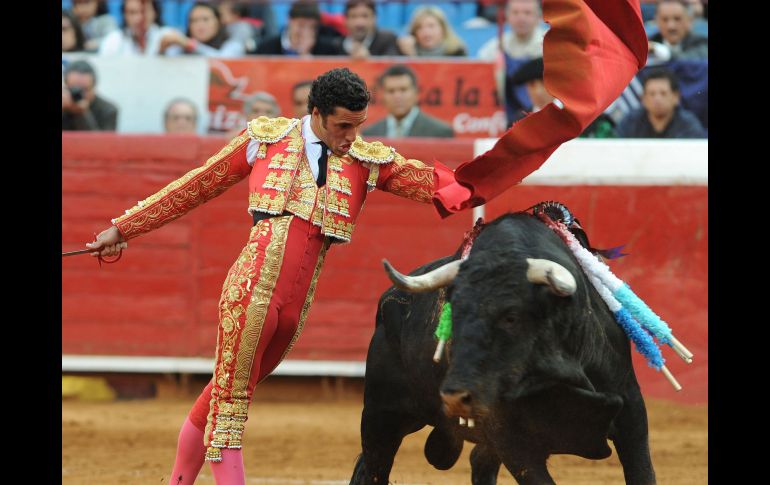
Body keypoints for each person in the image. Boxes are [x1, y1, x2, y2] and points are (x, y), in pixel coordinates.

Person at [85, 67, 456, 485]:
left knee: (218, 396)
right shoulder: (266, 140)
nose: (351, 136)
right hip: (251, 290)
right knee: (229, 410)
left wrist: (490, 176)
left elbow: (433, 184)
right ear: (316, 113)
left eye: (358, 125)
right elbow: (195, 186)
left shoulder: (365, 162)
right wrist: (125, 227)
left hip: (295, 306)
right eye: (342, 126)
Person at [508, 57, 615, 137]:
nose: (538, 92)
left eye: (544, 83)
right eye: (532, 85)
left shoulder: (586, 118)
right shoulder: (517, 123)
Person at [363, 64, 454, 138]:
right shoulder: (369, 135)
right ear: (382, 95)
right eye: (391, 91)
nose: (397, 96)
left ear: (416, 92)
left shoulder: (440, 132)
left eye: (403, 90)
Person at [614, 67, 706, 138]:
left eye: (663, 93)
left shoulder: (688, 125)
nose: (657, 99)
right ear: (643, 98)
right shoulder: (630, 122)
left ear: (676, 97)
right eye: (652, 94)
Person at [255, 1, 345, 56]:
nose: (306, 31)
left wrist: (306, 55)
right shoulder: (266, 48)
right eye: (301, 25)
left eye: (312, 27)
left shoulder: (327, 50)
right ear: (289, 20)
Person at [159, 1, 246, 58]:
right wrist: (162, 51)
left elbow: (223, 62)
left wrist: (191, 45)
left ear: (218, 22)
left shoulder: (233, 45)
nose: (200, 25)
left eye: (205, 19)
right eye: (194, 20)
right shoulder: (180, 48)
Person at [98, 0, 182, 56]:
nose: (139, 18)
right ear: (124, 15)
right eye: (132, 12)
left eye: (143, 11)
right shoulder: (112, 41)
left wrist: (184, 44)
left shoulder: (168, 34)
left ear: (155, 12)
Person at [477, 0, 547, 60]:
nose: (521, 18)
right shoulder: (498, 45)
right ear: (507, 16)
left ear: (539, 17)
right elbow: (480, 65)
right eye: (515, 13)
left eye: (527, 13)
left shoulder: (550, 44)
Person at [62, 59, 118, 131]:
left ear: (94, 86)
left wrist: (83, 113)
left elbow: (102, 141)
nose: (79, 94)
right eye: (73, 89)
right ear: (66, 86)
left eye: (84, 89)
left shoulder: (108, 110)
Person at [335, 0, 401, 59]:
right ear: (345, 20)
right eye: (353, 16)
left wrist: (369, 60)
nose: (359, 23)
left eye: (365, 16)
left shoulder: (388, 40)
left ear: (374, 18)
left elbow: (393, 68)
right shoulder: (336, 44)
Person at [397, 6, 467, 57]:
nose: (426, 32)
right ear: (414, 32)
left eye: (431, 26)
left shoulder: (456, 52)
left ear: (443, 28)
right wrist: (411, 55)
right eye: (419, 27)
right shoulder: (404, 52)